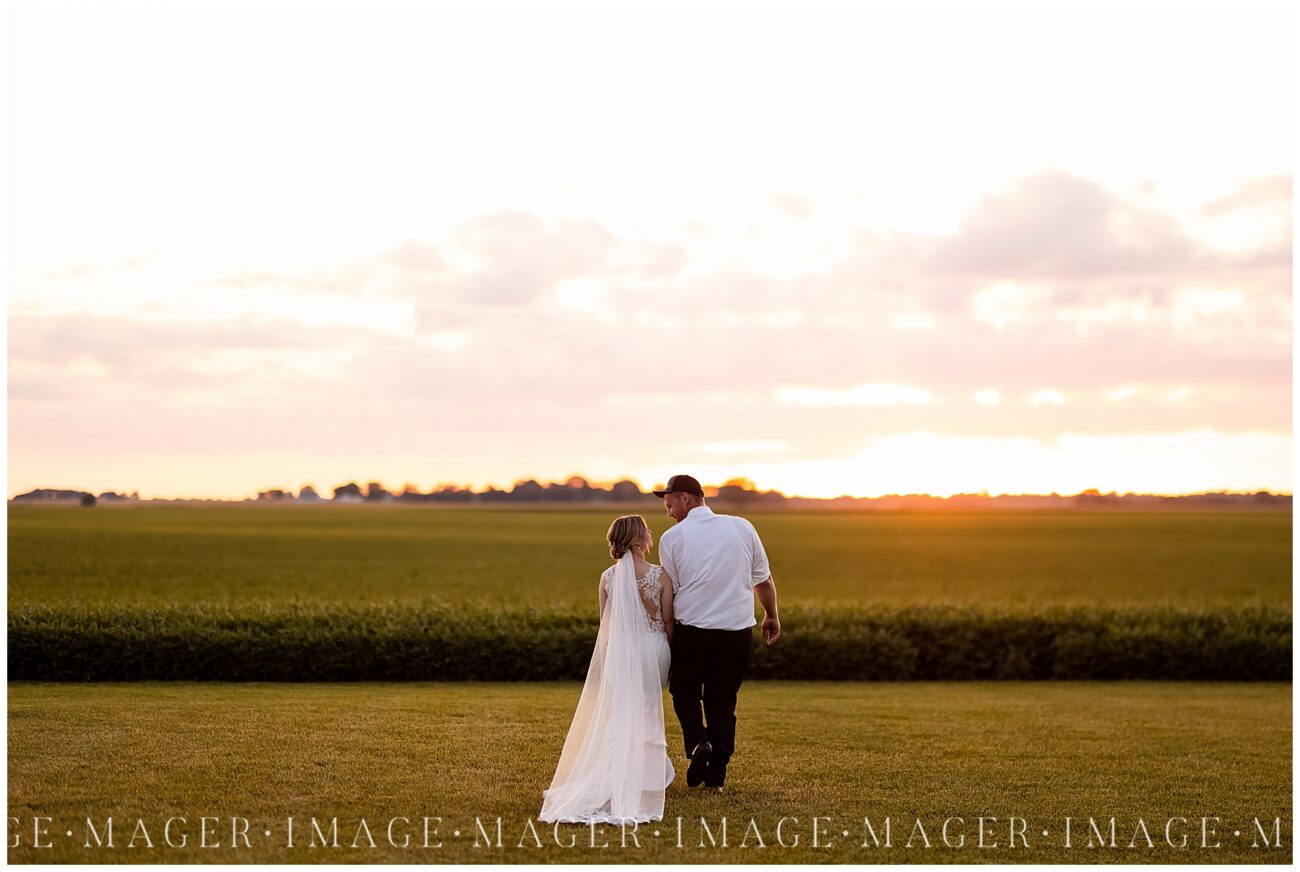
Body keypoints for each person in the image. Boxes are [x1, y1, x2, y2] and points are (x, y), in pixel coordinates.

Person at [538, 515, 677, 824]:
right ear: (640, 539)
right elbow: (668, 621)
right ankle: (647, 776)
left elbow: (606, 624)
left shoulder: (607, 578)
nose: (651, 535)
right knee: (646, 710)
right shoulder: (660, 576)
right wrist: (668, 649)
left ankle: (624, 773)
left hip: (621, 651)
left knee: (621, 712)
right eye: (648, 532)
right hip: (654, 650)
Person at [654, 473, 780, 793]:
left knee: (684, 693)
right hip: (736, 635)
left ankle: (699, 744)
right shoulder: (742, 527)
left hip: (692, 633)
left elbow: (674, 590)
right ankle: (717, 773)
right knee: (722, 702)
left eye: (669, 504)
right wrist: (771, 615)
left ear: (686, 498)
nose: (668, 512)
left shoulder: (673, 538)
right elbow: (762, 580)